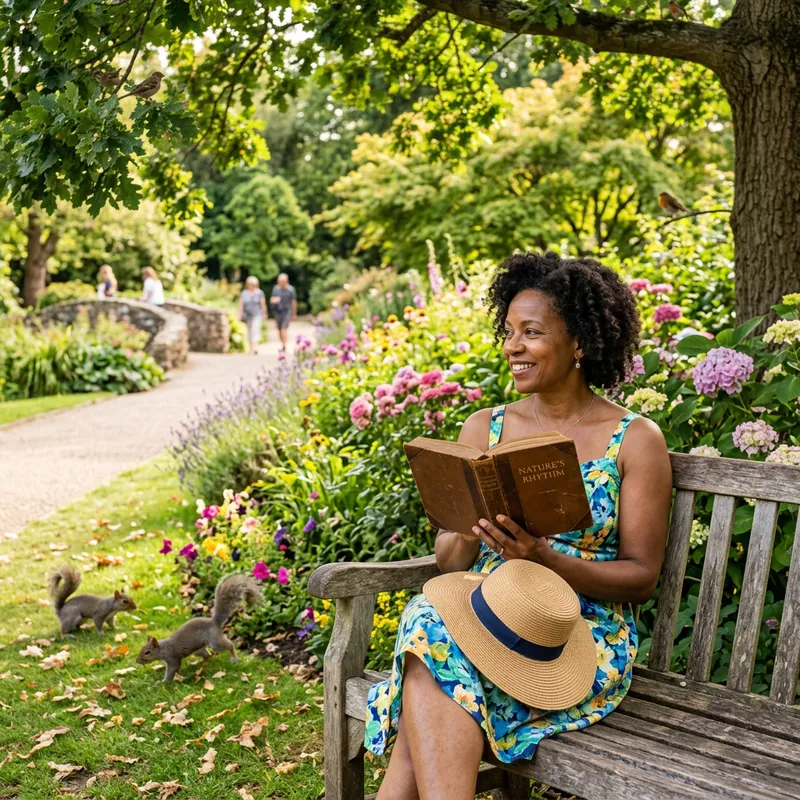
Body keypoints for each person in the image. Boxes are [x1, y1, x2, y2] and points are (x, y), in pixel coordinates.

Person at [366, 251, 673, 800]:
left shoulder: (636, 439)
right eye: (508, 331)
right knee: (435, 629)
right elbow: (449, 563)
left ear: (579, 341)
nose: (512, 346)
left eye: (530, 332)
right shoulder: (485, 426)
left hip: (573, 633)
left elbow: (642, 577)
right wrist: (465, 523)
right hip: (486, 608)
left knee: (430, 652)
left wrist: (543, 559)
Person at [238, 276, 267, 355]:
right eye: (250, 284)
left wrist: (264, 313)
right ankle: (251, 348)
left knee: (255, 329)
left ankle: (255, 347)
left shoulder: (259, 293)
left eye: (253, 284)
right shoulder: (244, 293)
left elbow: (263, 304)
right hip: (247, 315)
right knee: (249, 331)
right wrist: (239, 315)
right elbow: (241, 305)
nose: (252, 285)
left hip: (257, 314)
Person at [269, 273, 297, 352]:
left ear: (286, 281)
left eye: (283, 281)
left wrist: (294, 313)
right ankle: (282, 344)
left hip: (287, 311)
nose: (281, 283)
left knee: (284, 329)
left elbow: (293, 302)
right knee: (279, 329)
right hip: (278, 311)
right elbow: (272, 299)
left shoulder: (291, 289)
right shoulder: (276, 289)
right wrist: (274, 300)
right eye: (280, 281)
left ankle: (284, 346)